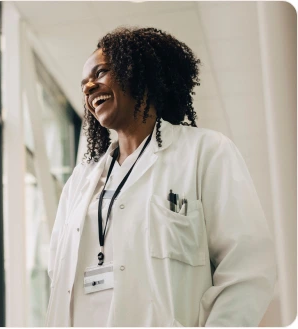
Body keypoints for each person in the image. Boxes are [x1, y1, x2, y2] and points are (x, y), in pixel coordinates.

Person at [46, 27, 276, 327]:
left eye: (100, 72)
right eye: (83, 84)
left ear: (138, 72)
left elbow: (248, 269)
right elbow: (57, 276)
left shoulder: (205, 152)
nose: (89, 87)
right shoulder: (80, 181)